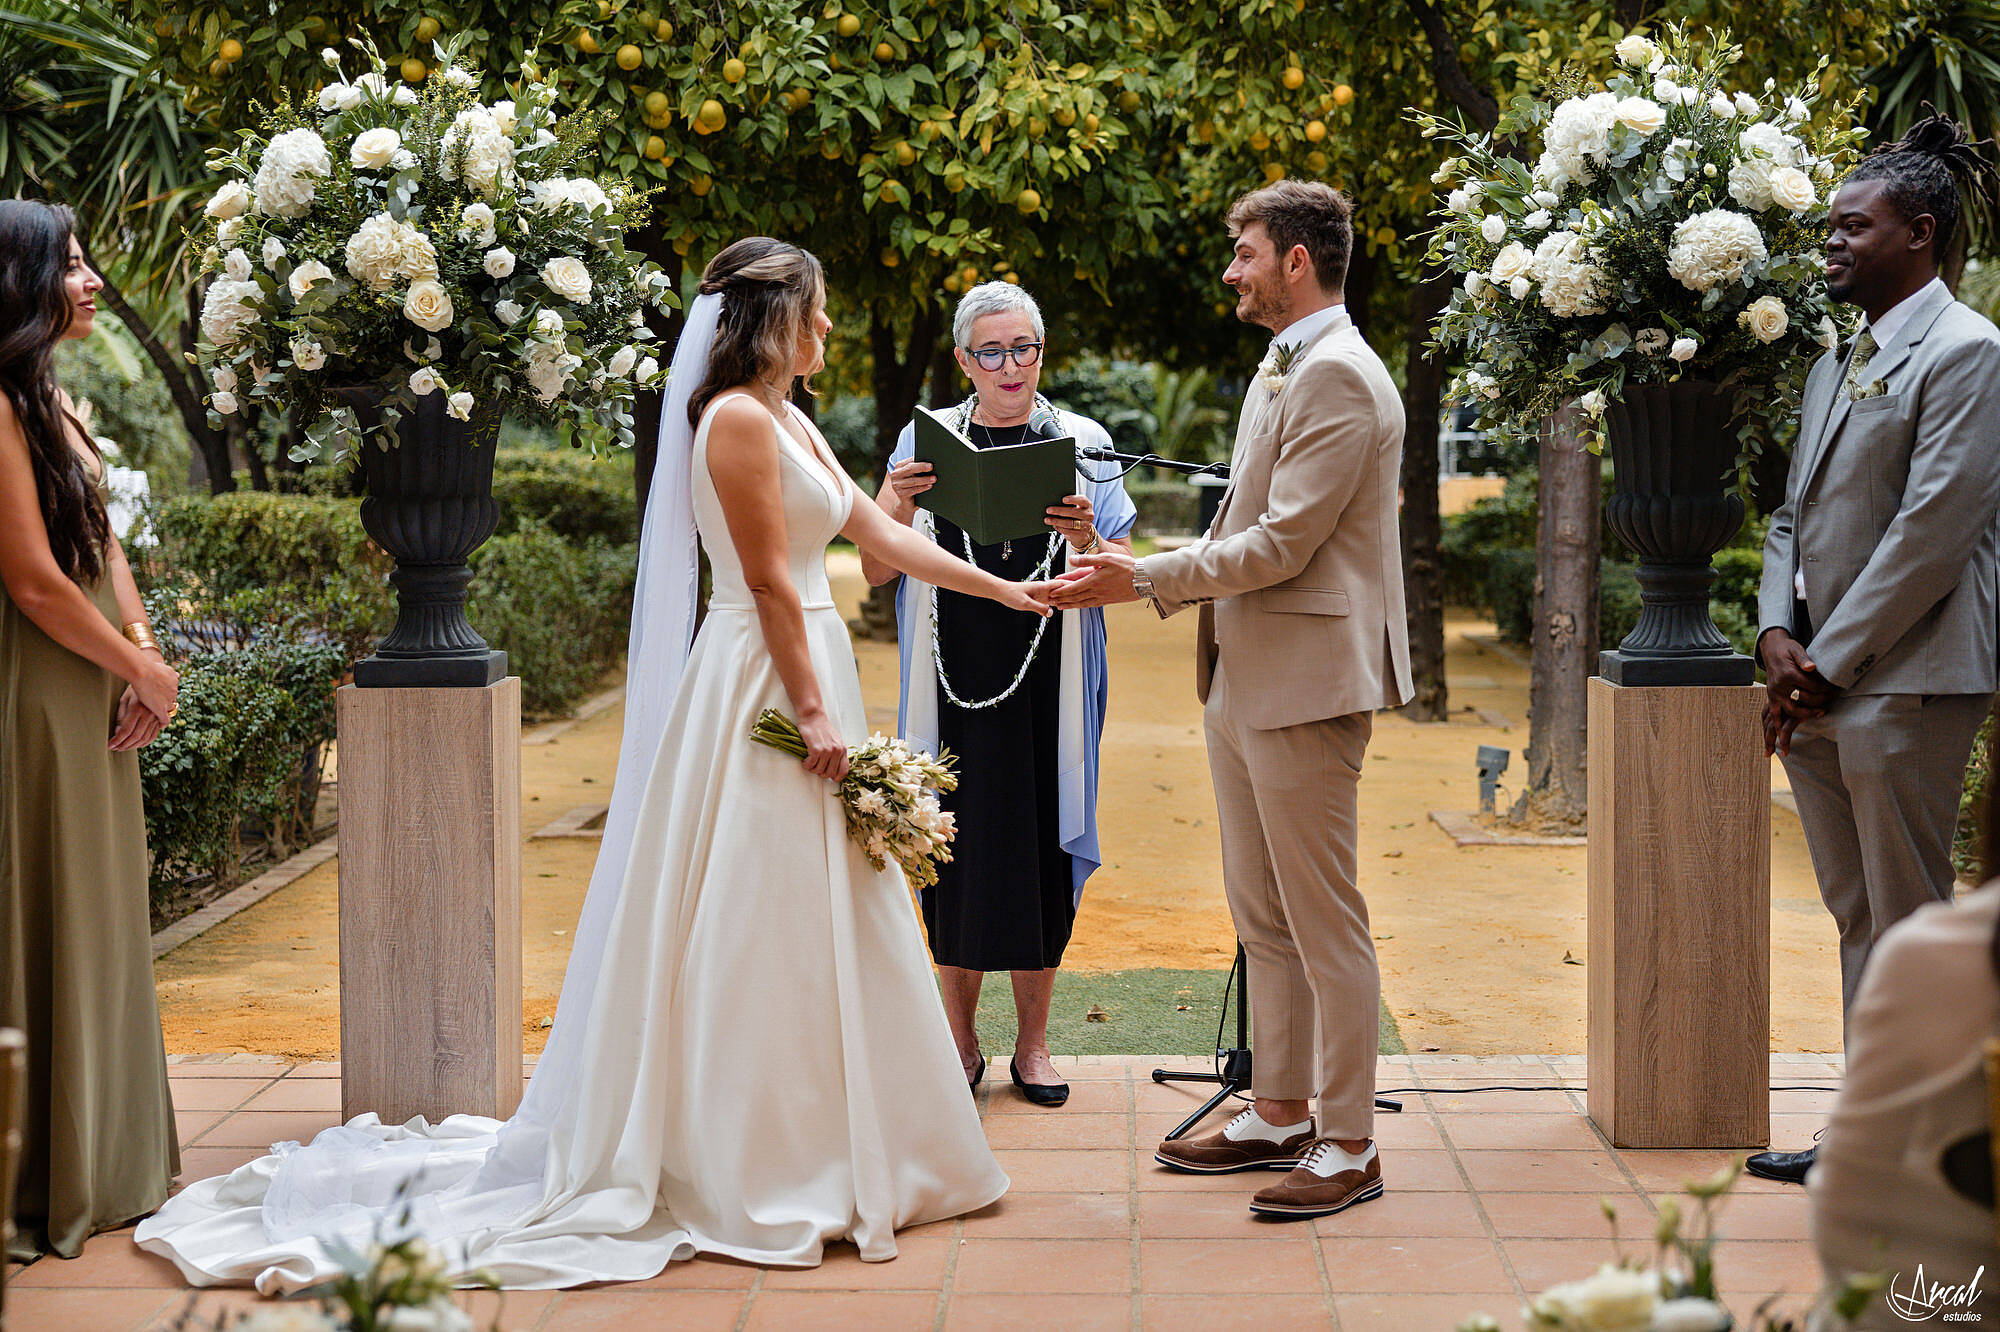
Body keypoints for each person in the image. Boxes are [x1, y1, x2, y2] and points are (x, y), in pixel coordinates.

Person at [136, 237, 1065, 1289]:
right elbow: (765, 581)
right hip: (763, 680)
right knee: (749, 908)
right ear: (771, 322)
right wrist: (812, 714)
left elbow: (872, 536)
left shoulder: (792, 419)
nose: (827, 329)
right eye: (815, 311)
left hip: (806, 667)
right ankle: (754, 1154)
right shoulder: (733, 424)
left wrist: (1005, 591)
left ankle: (852, 1138)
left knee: (826, 908)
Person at [1051, 180, 1410, 1220]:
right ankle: (1280, 1109)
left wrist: (1143, 575)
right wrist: (1134, 562)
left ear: (1297, 260)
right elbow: (1251, 521)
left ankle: (1347, 1141)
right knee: (1264, 915)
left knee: (1322, 918)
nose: (1230, 269)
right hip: (1243, 674)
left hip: (1304, 685)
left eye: (1244, 252)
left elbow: (1284, 543)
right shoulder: (1284, 360)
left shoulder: (1339, 374)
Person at [1750, 116, 2000, 1186]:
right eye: (1828, 227)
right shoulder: (1830, 364)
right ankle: (1867, 1141)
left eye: (1853, 227)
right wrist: (1773, 635)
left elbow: (1933, 527)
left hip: (1906, 679)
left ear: (1921, 235)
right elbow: (1786, 520)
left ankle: (1928, 1155)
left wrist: (1827, 664)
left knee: (1909, 930)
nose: (1830, 244)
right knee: (1858, 920)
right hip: (1818, 685)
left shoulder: (1968, 354)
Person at [861, 280, 1137, 1107]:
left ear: (1042, 354)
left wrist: (1089, 537)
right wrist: (895, 499)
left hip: (1051, 671)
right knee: (951, 844)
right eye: (992, 351)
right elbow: (878, 568)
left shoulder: (1084, 440)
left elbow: (1125, 575)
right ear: (962, 361)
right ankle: (957, 1039)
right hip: (948, 673)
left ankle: (1036, 1046)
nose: (1010, 365)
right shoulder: (924, 439)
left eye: (1024, 348)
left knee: (1042, 846)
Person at [0, 199, 183, 1258]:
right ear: (21, 283)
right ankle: (44, 1172)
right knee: (46, 899)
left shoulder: (52, 400)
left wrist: (144, 655)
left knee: (101, 907)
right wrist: (135, 664)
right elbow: (30, 580)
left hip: (100, 680)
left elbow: (99, 545)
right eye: (69, 265)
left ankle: (110, 1158)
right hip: (38, 685)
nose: (91, 279)